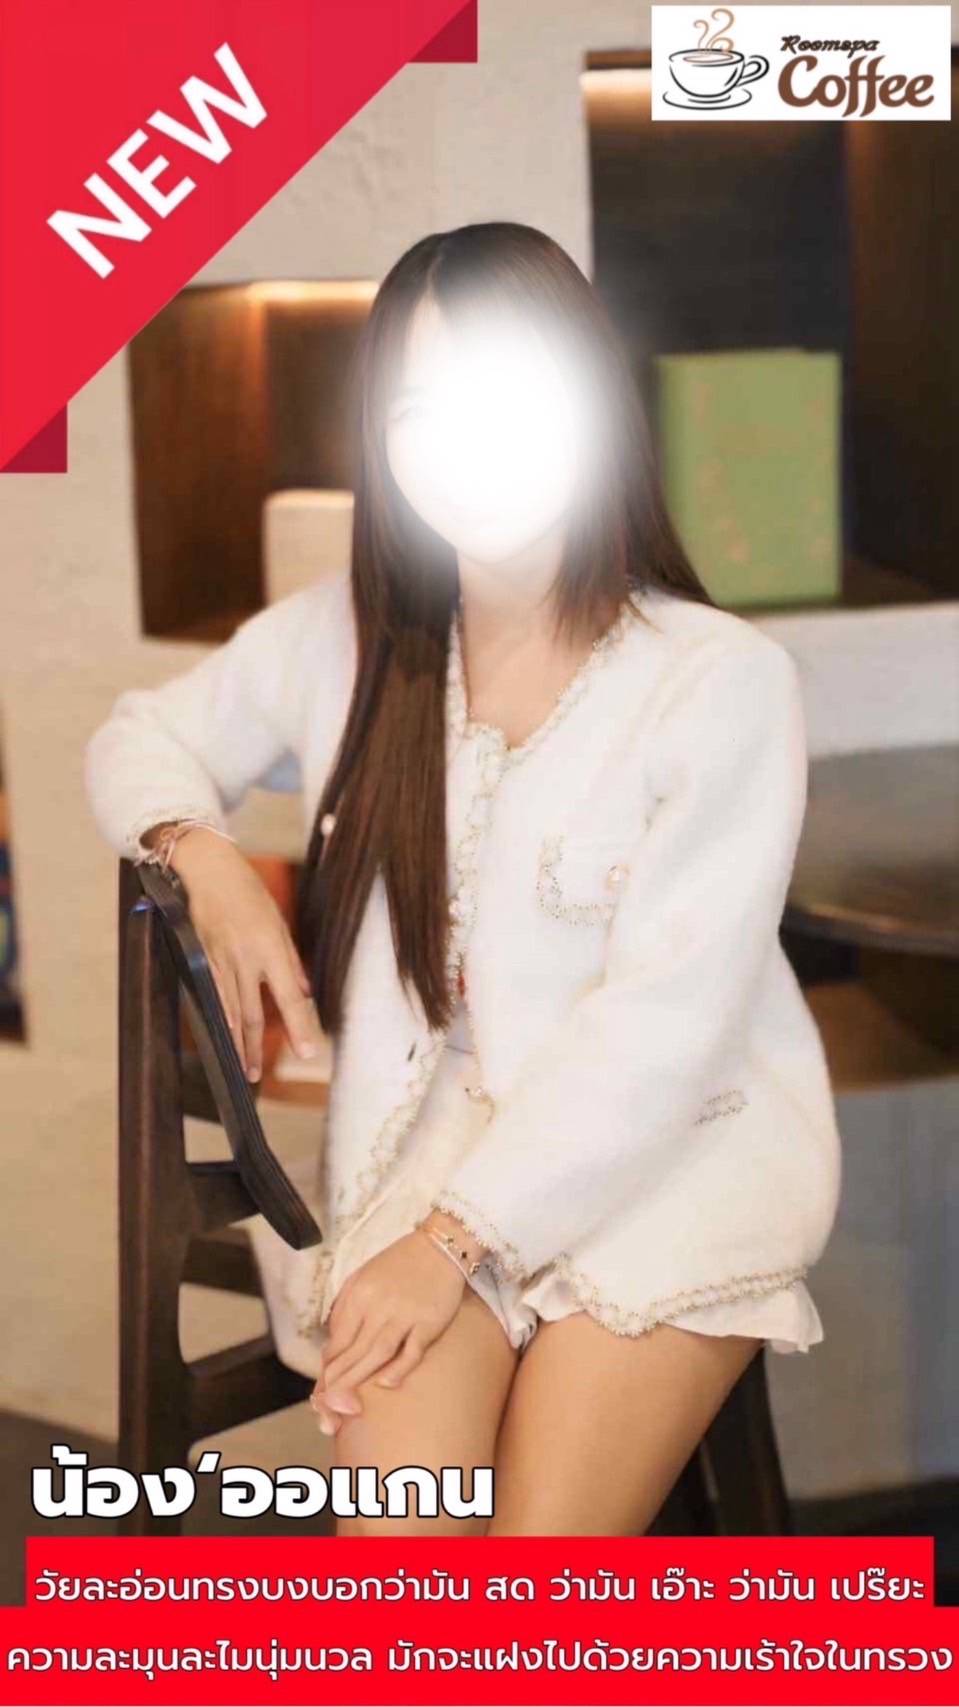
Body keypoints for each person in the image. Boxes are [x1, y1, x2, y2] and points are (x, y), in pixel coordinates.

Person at [85, 221, 841, 1536]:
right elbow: (136, 738)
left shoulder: (719, 683)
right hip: (425, 1156)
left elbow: (665, 1033)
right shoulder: (350, 640)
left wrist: (454, 1244)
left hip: (675, 1161)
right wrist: (205, 859)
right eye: (420, 412)